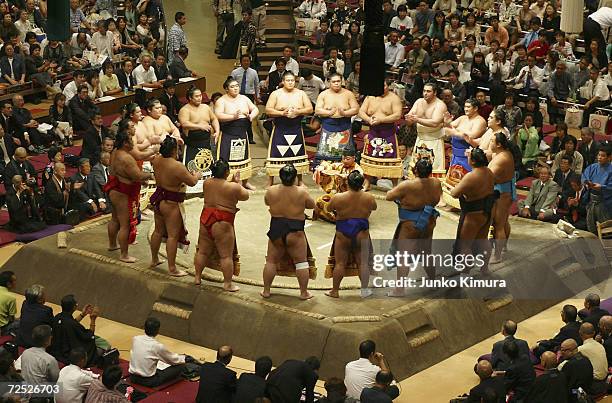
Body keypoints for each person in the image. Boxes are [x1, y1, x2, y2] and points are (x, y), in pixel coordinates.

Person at [150, 137, 201, 276]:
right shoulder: (177, 166)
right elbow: (191, 182)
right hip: (171, 203)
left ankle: (154, 259)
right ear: (174, 150)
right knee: (172, 236)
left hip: (158, 200)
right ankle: (172, 269)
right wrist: (197, 175)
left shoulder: (157, 159)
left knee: (158, 231)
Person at [262, 164, 315, 299]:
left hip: (276, 229)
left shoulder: (271, 190)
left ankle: (266, 291)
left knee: (271, 261)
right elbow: (311, 205)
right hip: (295, 231)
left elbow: (267, 202)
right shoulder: (302, 192)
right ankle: (304, 293)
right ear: (294, 178)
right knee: (301, 262)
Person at [195, 159, 249, 290]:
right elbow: (245, 196)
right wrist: (238, 183)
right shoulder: (233, 187)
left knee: (202, 251)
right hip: (222, 221)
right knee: (226, 255)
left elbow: (220, 188)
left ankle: (197, 277)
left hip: (206, 218)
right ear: (227, 172)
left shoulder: (207, 183)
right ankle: (228, 284)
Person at [385, 159, 441, 282]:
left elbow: (389, 196)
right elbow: (437, 199)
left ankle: (399, 289)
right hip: (429, 221)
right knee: (427, 253)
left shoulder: (408, 185)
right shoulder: (436, 183)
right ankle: (433, 280)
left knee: (403, 256)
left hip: (411, 224)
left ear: (415, 170)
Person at [325, 171, 377, 298]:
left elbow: (328, 208)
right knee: (362, 263)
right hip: (362, 232)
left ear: (347, 182)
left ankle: (335, 291)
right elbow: (374, 207)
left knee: (340, 263)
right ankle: (365, 290)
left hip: (343, 232)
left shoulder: (338, 197)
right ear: (361, 183)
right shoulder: (369, 197)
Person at [105, 130, 154, 263]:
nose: (133, 142)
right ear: (125, 143)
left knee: (115, 219)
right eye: (131, 140)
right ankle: (124, 254)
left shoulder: (115, 152)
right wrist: (149, 175)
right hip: (122, 192)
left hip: (114, 189)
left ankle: (112, 245)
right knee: (125, 224)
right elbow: (137, 176)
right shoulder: (126, 158)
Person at [450, 148, 496, 274]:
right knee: (483, 240)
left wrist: (457, 186)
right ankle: (484, 269)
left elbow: (454, 193)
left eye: (469, 157)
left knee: (465, 245)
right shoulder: (489, 172)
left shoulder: (471, 176)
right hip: (487, 211)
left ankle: (466, 271)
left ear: (473, 161)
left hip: (473, 214)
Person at [265, 71, 312, 187]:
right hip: (280, 127)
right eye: (288, 80)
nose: (290, 83)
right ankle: (270, 181)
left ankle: (300, 180)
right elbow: (268, 110)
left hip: (295, 127)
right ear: (283, 81)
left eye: (292, 80)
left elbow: (310, 109)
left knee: (298, 153)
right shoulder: (276, 94)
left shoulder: (301, 93)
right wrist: (282, 113)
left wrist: (298, 111)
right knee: (275, 154)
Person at [358, 79, 404, 191]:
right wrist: (369, 119)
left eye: (383, 85)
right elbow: (361, 111)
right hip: (373, 132)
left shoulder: (394, 98)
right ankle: (367, 183)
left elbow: (397, 115)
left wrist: (382, 120)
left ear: (388, 86)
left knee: (392, 161)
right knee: (370, 158)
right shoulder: (370, 97)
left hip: (388, 133)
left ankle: (395, 187)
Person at [215, 77, 259, 190]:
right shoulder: (222, 101)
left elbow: (255, 109)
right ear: (226, 89)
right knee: (228, 158)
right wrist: (232, 117)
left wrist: (251, 116)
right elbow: (218, 115)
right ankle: (228, 181)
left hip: (242, 133)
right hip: (228, 133)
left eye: (237, 86)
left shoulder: (244, 98)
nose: (235, 88)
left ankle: (245, 182)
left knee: (242, 157)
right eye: (232, 86)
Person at [314, 73, 359, 167]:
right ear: (329, 82)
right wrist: (329, 113)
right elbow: (317, 110)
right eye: (334, 81)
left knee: (345, 155)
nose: (336, 83)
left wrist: (345, 113)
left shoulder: (348, 94)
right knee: (326, 154)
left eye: (338, 81)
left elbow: (356, 109)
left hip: (344, 125)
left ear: (341, 81)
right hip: (328, 125)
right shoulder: (323, 94)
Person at [129, 317, 186, 387]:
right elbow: (173, 360)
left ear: (145, 328)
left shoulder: (136, 339)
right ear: (157, 331)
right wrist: (184, 358)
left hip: (132, 377)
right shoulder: (157, 346)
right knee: (180, 366)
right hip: (148, 381)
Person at [50, 294, 105, 368]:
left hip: (58, 352)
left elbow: (71, 323)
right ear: (74, 307)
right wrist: (93, 319)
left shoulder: (57, 317)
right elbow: (89, 336)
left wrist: (83, 314)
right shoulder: (72, 324)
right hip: (70, 355)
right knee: (104, 345)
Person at [405, 83, 447, 172]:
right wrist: (409, 119)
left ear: (435, 93)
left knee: (433, 167)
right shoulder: (419, 102)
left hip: (434, 140)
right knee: (416, 166)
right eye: (424, 91)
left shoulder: (440, 105)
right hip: (420, 139)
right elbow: (410, 118)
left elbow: (435, 123)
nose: (425, 93)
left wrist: (416, 119)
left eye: (428, 91)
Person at [443, 98, 487, 184]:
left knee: (466, 182)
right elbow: (448, 129)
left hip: (469, 157)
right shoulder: (462, 118)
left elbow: (471, 136)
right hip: (455, 155)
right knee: (453, 181)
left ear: (475, 108)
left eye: (468, 107)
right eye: (465, 106)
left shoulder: (480, 121)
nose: (465, 109)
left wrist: (454, 132)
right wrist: (447, 122)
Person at [488, 132, 515, 265]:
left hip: (502, 193)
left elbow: (487, 176)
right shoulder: (503, 154)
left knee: (498, 224)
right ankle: (503, 246)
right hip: (505, 190)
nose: (490, 142)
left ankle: (497, 255)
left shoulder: (502, 158)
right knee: (503, 222)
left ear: (498, 144)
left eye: (492, 141)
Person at [581, 146, 611, 234]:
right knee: (591, 227)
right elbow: (584, 176)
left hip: (605, 202)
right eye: (598, 155)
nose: (599, 157)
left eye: (602, 156)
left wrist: (601, 187)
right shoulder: (593, 167)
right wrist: (587, 182)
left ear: (609, 157)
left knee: (605, 229)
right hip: (591, 199)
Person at [231, 54, 259, 143]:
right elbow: (230, 84)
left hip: (249, 96)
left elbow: (256, 85)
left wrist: (257, 97)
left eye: (248, 61)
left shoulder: (254, 72)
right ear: (241, 62)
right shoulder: (235, 72)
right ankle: (237, 135)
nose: (246, 62)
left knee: (248, 117)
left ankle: (250, 138)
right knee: (237, 115)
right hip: (237, 95)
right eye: (244, 61)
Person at [577, 322, 608, 395]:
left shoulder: (581, 349)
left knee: (574, 365)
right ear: (594, 333)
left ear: (580, 333)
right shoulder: (600, 345)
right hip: (605, 380)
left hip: (593, 384)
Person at [0, 271, 16, 336]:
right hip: (2, 327)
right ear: (8, 284)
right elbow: (11, 319)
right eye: (14, 280)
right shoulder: (11, 298)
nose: (16, 283)